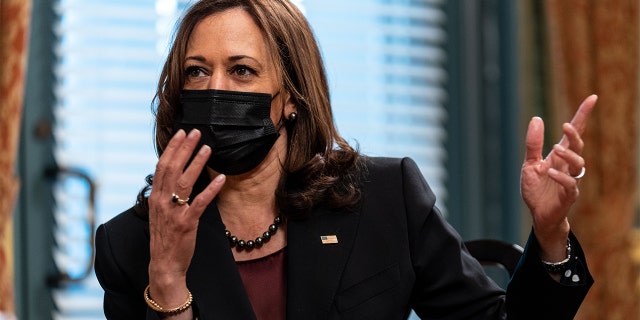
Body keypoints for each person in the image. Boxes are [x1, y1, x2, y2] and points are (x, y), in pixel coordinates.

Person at [94, 0, 596, 319]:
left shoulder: (385, 197)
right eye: (198, 72)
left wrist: (551, 234)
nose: (216, 89)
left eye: (242, 71)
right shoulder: (131, 243)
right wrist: (166, 281)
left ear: (291, 97)